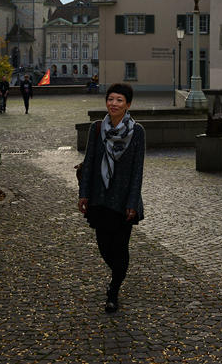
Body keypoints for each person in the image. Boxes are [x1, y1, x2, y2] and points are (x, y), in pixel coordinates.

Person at [78, 83, 146, 313]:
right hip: (100, 197)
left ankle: (113, 291)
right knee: (104, 247)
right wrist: (84, 194)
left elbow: (137, 171)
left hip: (124, 200)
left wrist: (132, 202)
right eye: (110, 99)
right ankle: (116, 277)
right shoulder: (97, 128)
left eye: (119, 100)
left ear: (128, 105)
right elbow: (89, 162)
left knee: (121, 248)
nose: (113, 104)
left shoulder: (137, 132)